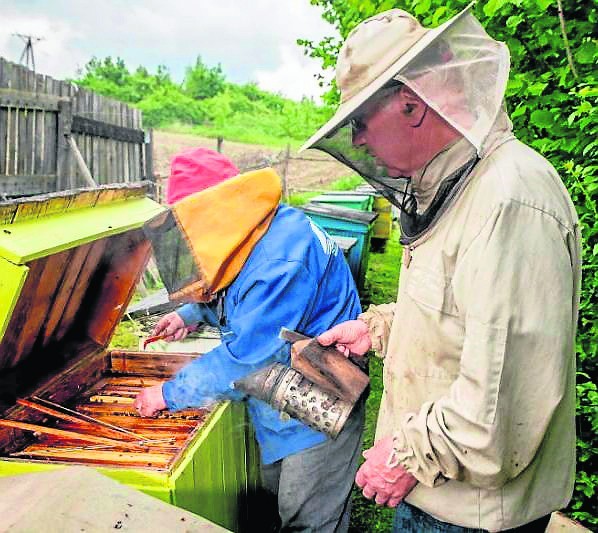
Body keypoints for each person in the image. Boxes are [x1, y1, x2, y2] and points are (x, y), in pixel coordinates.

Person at [300, 5, 581, 533]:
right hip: (442, 498)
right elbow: (460, 315)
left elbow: (500, 398)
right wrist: (379, 326)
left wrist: (404, 457)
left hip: (471, 517)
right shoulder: (464, 186)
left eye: (361, 122)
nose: (357, 141)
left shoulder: (508, 198)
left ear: (410, 105)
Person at [134, 147, 365, 532]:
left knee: (308, 517)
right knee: (276, 499)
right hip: (283, 391)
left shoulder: (281, 258)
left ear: (217, 208)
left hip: (323, 397)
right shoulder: (256, 228)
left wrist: (168, 394)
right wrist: (189, 314)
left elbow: (248, 357)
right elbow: (237, 286)